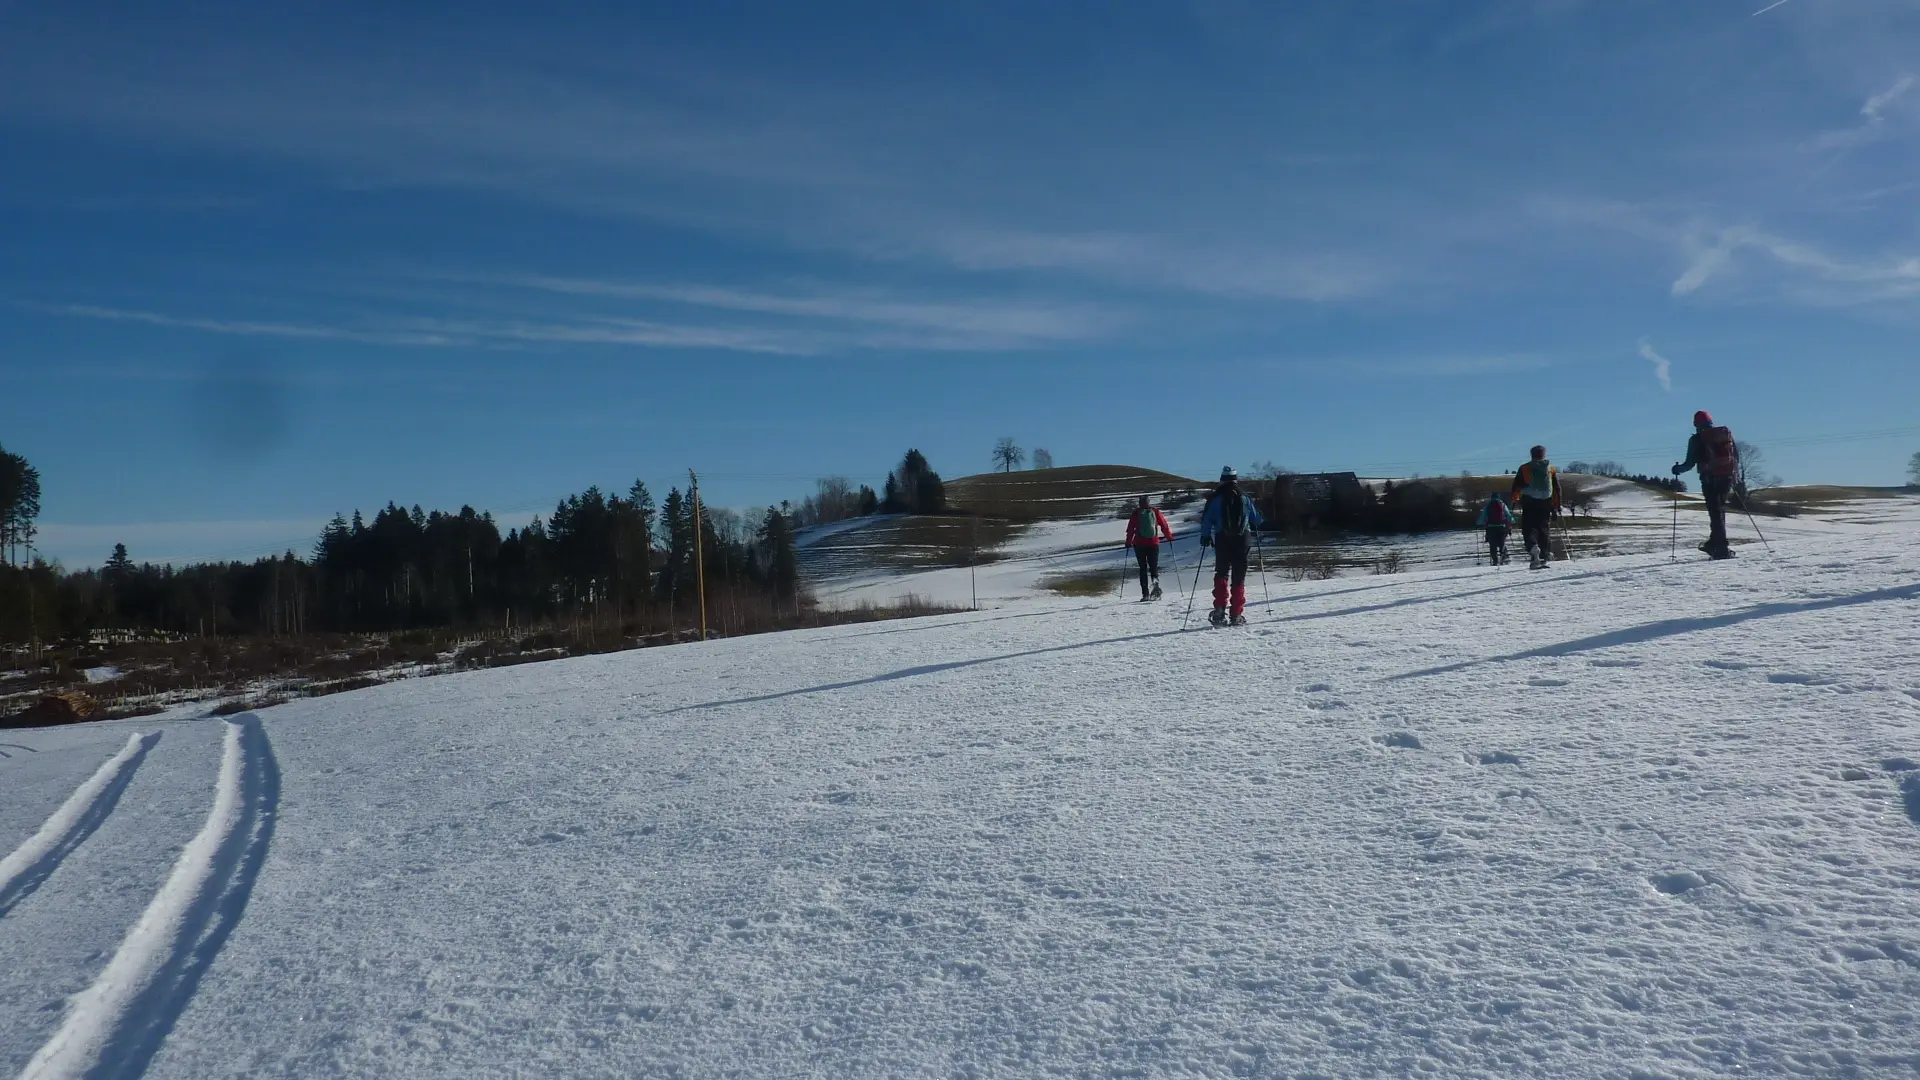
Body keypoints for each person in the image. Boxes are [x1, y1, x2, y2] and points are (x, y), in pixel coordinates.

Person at [1199, 467, 1265, 626]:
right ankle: (1236, 614)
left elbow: (1207, 520)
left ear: (1222, 480)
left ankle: (1219, 611)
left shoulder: (1215, 499)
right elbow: (1257, 520)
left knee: (1222, 573)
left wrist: (1205, 536)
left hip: (1223, 539)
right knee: (1238, 576)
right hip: (1243, 540)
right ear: (1236, 480)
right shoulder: (1245, 498)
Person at [1673, 409, 1739, 560]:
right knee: (1719, 510)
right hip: (1726, 477)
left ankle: (1720, 547)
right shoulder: (1725, 434)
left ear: (1695, 424)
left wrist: (1677, 469)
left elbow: (1689, 463)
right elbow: (1735, 455)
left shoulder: (1696, 440)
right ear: (1711, 421)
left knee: (1715, 511)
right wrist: (1733, 474)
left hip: (1709, 479)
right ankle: (1715, 543)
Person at [1508, 446, 1561, 570]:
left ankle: (1533, 548)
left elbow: (1517, 485)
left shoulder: (1524, 468)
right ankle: (1544, 555)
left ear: (1531, 454)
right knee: (1543, 528)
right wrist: (1556, 506)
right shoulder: (1550, 469)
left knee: (1529, 527)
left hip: (1529, 501)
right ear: (1544, 455)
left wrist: (1514, 499)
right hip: (1546, 502)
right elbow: (1556, 488)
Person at [1123, 494, 1174, 600]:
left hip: (1139, 544)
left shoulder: (1136, 513)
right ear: (1149, 502)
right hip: (1153, 543)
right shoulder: (1155, 511)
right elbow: (1164, 525)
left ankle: (1145, 594)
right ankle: (1156, 591)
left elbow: (1131, 529)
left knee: (1143, 569)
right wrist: (1169, 537)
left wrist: (1128, 542)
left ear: (1139, 503)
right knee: (1153, 568)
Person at [1475, 491, 1514, 566]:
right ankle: (1504, 558)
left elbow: (1483, 517)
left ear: (1491, 497)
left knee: (1492, 545)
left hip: (1490, 528)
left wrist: (1478, 524)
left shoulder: (1488, 505)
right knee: (1501, 543)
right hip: (1502, 527)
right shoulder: (1502, 504)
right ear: (1499, 497)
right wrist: (1512, 522)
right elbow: (1508, 515)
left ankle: (1495, 561)